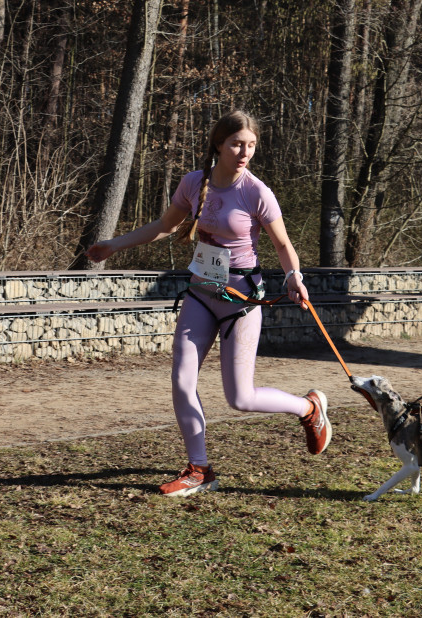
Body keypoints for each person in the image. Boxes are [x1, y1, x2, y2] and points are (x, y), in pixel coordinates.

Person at [85, 109, 331, 496]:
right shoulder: (193, 183)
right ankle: (199, 470)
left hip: (241, 300)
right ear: (219, 143)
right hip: (200, 295)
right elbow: (164, 227)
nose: (244, 152)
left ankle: (309, 409)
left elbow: (283, 245)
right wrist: (112, 246)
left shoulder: (256, 192)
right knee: (182, 380)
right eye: (237, 144)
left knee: (241, 398)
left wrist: (294, 278)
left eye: (251, 145)